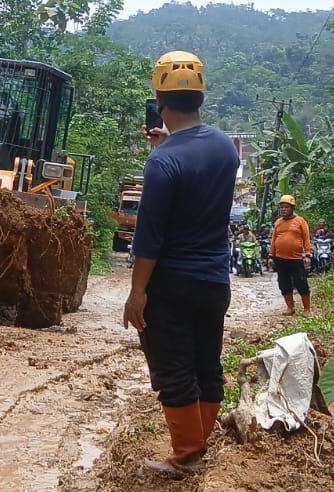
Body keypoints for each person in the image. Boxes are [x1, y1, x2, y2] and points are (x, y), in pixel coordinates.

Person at [122, 51, 238, 477]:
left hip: (172, 284)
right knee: (207, 361)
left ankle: (187, 455)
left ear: (159, 99)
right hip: (213, 281)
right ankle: (199, 444)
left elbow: (149, 238)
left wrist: (137, 293)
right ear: (200, 96)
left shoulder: (163, 161)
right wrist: (165, 147)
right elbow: (197, 168)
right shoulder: (227, 149)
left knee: (173, 368)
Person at [269, 195, 312, 315]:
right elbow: (273, 240)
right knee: (284, 283)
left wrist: (308, 255)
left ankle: (307, 309)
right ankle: (290, 308)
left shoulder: (300, 221)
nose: (283, 209)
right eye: (281, 207)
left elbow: (306, 238)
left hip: (296, 258)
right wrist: (271, 256)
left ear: (292, 208)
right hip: (280, 259)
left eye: (286, 207)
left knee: (301, 283)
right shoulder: (278, 222)